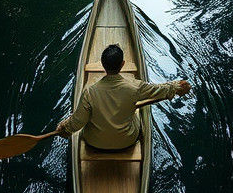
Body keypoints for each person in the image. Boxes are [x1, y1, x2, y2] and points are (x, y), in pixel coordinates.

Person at [55, 43, 191, 150]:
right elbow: (160, 90)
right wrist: (177, 86)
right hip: (127, 140)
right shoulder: (135, 87)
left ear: (102, 65)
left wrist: (63, 128)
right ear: (122, 64)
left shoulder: (89, 92)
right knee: (136, 114)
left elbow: (77, 123)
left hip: (94, 141)